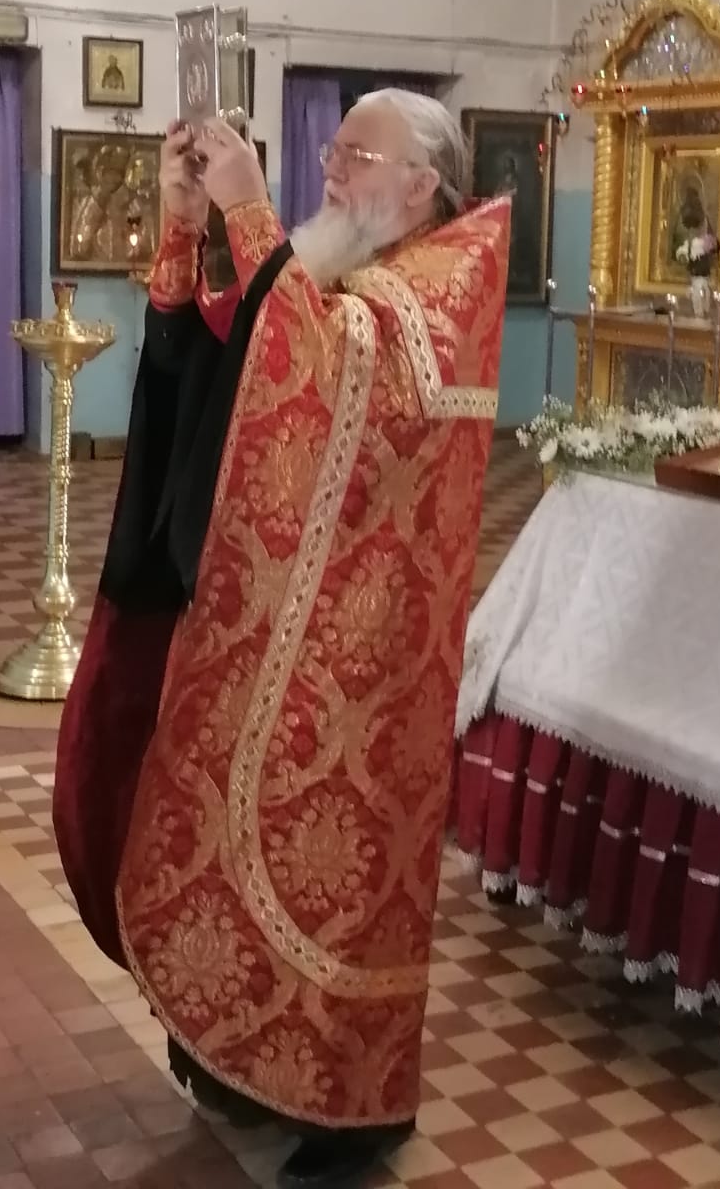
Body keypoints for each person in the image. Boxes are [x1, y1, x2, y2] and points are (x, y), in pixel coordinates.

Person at [54, 90, 510, 1189]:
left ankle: (355, 1110)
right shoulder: (340, 261)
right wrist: (185, 228)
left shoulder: (447, 280)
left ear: (423, 185)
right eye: (332, 148)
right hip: (266, 625)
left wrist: (251, 212)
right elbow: (228, 359)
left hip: (365, 657)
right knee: (219, 835)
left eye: (358, 154)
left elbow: (337, 369)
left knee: (340, 883)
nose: (332, 167)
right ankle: (245, 1060)